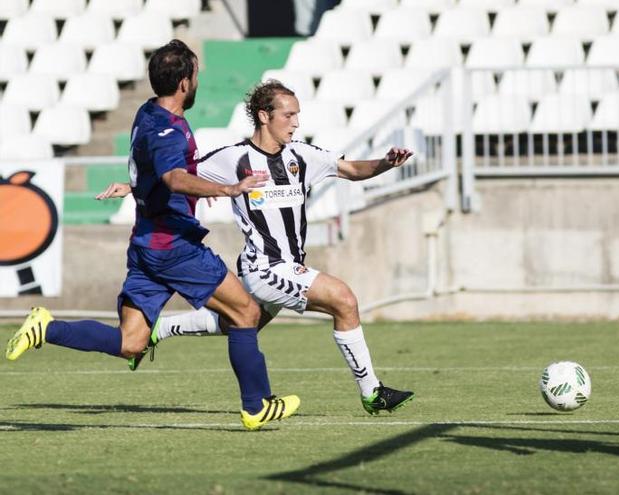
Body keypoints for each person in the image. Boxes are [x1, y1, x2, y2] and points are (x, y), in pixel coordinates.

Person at [6, 40, 300, 431]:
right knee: (245, 312)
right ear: (183, 83)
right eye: (195, 74)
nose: (198, 80)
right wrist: (227, 189)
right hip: (173, 247)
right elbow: (173, 177)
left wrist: (135, 187)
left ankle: (47, 327)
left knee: (131, 342)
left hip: (145, 243)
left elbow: (151, 170)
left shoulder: (146, 112)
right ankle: (257, 405)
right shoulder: (169, 130)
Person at [96, 80, 416, 415]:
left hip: (287, 265)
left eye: (298, 115)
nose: (296, 122)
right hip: (265, 267)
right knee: (344, 300)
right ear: (264, 116)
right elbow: (178, 178)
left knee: (237, 324)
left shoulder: (302, 155)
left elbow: (351, 169)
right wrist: (132, 189)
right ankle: (372, 392)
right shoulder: (233, 158)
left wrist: (385, 163)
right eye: (288, 115)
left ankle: (161, 329)